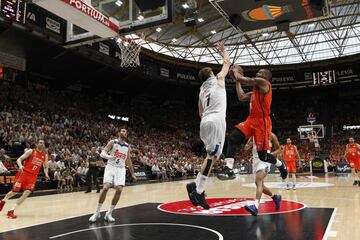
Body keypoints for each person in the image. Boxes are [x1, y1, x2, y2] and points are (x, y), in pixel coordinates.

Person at [220, 65, 288, 180]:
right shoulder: (254, 93)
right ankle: (229, 168)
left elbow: (247, 80)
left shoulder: (264, 83)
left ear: (265, 76)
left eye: (260, 73)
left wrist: (236, 73)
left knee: (263, 156)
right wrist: (237, 81)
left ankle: (281, 165)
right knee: (232, 138)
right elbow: (241, 97)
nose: (257, 74)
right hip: (251, 120)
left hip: (263, 122)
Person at [186, 41, 231, 210]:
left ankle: (195, 186)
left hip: (204, 121)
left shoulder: (201, 90)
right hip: (216, 120)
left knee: (210, 156)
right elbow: (227, 63)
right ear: (211, 73)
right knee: (212, 157)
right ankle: (199, 191)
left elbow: (200, 112)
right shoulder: (219, 79)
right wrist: (223, 50)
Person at [89, 129, 136, 223]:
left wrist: (132, 173)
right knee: (105, 187)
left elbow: (128, 160)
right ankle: (97, 212)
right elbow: (102, 153)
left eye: (126, 132)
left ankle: (109, 213)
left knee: (119, 189)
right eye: (123, 131)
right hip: (111, 166)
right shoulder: (113, 142)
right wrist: (110, 157)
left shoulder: (127, 146)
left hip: (121, 168)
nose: (125, 132)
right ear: (119, 133)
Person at [0, 139, 49, 219]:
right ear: (37, 144)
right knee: (14, 192)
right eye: (40, 142)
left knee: (27, 192)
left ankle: (11, 211)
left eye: (43, 143)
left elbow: (45, 167)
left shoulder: (45, 155)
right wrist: (20, 166)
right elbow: (19, 159)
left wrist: (46, 174)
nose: (42, 144)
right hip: (24, 173)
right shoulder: (31, 151)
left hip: (33, 176)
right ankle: (3, 201)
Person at [244, 133, 282, 216]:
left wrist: (270, 155)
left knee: (258, 180)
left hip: (265, 161)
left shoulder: (272, 135)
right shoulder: (253, 135)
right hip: (255, 161)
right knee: (260, 184)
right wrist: (248, 145)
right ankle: (275, 197)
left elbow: (279, 149)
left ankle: (255, 206)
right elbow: (246, 147)